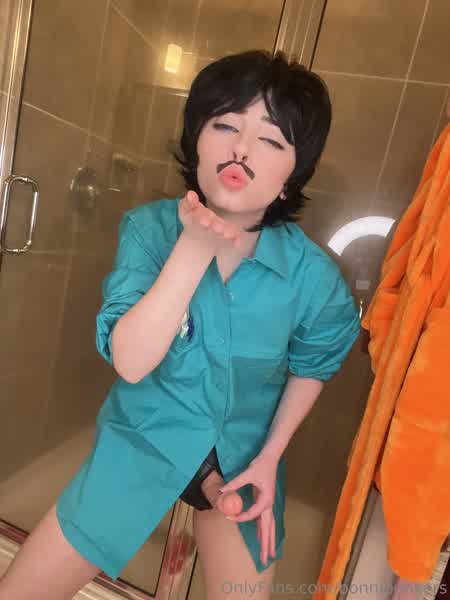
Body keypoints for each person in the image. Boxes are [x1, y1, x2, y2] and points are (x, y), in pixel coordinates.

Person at [0, 49, 361, 600]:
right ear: (196, 141)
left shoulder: (312, 277)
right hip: (141, 443)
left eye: (271, 140)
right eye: (225, 125)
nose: (241, 148)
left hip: (244, 461)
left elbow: (314, 364)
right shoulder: (149, 231)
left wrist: (269, 458)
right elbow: (131, 361)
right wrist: (193, 249)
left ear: (291, 179)